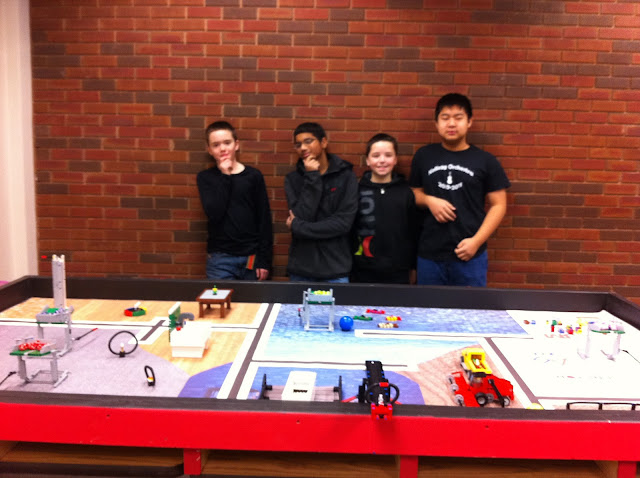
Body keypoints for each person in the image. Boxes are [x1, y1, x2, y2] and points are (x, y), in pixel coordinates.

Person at [409, 93, 510, 287]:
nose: (451, 124)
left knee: (471, 306)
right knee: (428, 306)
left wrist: (476, 242)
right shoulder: (424, 156)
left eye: (458, 118)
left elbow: (499, 205)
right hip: (430, 254)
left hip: (470, 255)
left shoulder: (485, 160)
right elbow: (412, 193)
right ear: (436, 123)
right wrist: (429, 200)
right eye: (445, 118)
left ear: (469, 122)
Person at [197, 121, 272, 280]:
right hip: (220, 259)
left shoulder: (253, 176)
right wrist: (225, 176)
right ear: (209, 150)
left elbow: (264, 219)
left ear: (236, 145)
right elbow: (214, 213)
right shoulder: (206, 178)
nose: (222, 148)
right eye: (216, 145)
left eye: (227, 143)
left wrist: (264, 260)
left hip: (251, 257)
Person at [284, 122, 358, 283]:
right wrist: (312, 176)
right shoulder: (293, 179)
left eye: (308, 141)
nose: (303, 148)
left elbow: (343, 223)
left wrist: (298, 226)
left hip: (335, 269)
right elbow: (303, 215)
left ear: (323, 142)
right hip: (302, 268)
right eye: (298, 144)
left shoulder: (346, 176)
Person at [351, 133, 419, 284]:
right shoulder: (357, 191)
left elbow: (413, 232)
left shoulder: (405, 192)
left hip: (398, 270)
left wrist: (413, 267)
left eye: (388, 155)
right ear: (367, 160)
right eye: (376, 156)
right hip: (363, 270)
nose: (382, 160)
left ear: (395, 159)